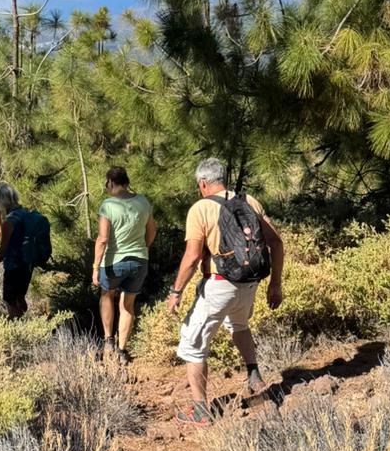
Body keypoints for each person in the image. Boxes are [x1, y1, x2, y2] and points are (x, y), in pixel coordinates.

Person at [165, 157, 283, 425]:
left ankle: (200, 411)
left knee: (193, 345)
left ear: (203, 183)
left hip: (219, 283)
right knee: (239, 324)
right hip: (249, 283)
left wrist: (176, 291)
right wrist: (275, 284)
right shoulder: (249, 201)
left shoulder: (200, 208)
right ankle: (254, 376)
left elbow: (193, 255)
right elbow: (276, 242)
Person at [92, 165, 155, 364]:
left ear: (110, 182)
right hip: (139, 260)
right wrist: (143, 248)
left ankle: (108, 340)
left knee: (107, 295)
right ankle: (122, 350)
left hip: (113, 261)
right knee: (128, 304)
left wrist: (95, 267)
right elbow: (151, 230)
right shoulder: (143, 202)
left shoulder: (108, 205)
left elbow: (102, 238)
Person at [0, 182, 33, 319]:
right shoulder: (26, 213)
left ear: (2, 201)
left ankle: (19, 327)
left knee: (9, 299)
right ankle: (30, 323)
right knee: (20, 296)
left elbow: (3, 250)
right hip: (28, 263)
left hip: (14, 265)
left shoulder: (9, 222)